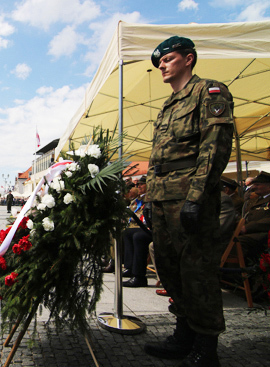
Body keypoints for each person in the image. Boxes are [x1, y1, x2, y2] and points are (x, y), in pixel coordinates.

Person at [144, 36, 234, 366]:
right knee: (169, 270)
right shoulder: (168, 106)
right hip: (163, 200)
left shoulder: (209, 92)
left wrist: (195, 198)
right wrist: (152, 200)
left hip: (190, 198)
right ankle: (183, 334)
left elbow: (214, 149)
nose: (162, 66)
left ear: (189, 59)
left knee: (197, 272)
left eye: (167, 59)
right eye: (160, 62)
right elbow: (158, 161)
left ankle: (206, 348)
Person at [122, 176, 152, 287]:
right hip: (141, 226)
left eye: (142, 184)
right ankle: (129, 267)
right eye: (137, 184)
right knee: (127, 233)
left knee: (138, 236)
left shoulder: (149, 198)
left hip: (150, 228)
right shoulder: (139, 199)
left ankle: (139, 276)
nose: (139, 186)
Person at [237, 171, 270, 265]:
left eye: (257, 184)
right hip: (249, 233)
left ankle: (237, 274)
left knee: (238, 243)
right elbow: (244, 215)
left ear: (268, 186)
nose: (254, 187)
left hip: (263, 234)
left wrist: (247, 228)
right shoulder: (254, 200)